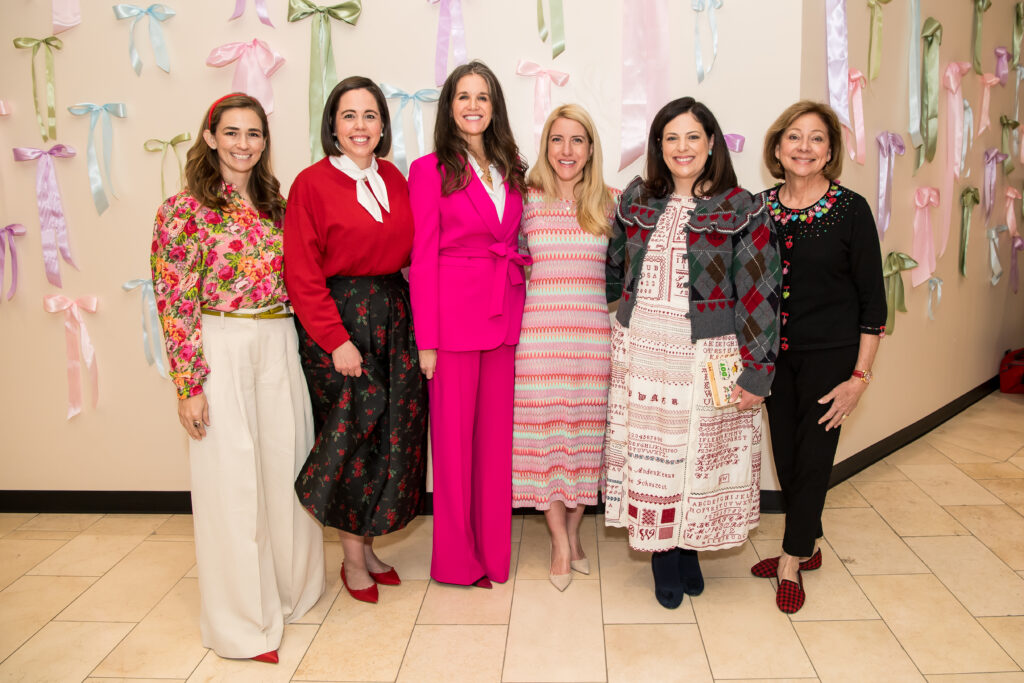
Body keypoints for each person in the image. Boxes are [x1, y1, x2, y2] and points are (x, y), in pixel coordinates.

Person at [151, 93, 324, 663]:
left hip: (279, 344)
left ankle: (289, 594)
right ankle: (242, 625)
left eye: (253, 133)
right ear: (209, 137)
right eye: (231, 132)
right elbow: (173, 303)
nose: (243, 144)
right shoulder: (182, 212)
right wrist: (188, 386)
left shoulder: (280, 204)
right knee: (232, 487)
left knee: (285, 473)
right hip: (218, 345)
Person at [604, 97, 781, 609]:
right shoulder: (635, 201)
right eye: (671, 138)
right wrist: (621, 313)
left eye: (692, 137)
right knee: (652, 456)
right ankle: (663, 554)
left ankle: (688, 548)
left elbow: (760, 291)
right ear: (659, 146)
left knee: (698, 460)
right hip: (644, 351)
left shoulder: (742, 206)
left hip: (709, 352)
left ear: (711, 144)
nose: (682, 148)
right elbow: (615, 266)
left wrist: (758, 370)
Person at [285, 77, 427, 604]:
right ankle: (351, 562)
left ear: (383, 125)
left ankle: (366, 548)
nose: (360, 126)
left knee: (390, 438)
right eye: (349, 116)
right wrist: (334, 340)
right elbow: (301, 275)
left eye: (370, 116)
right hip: (340, 325)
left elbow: (415, 251)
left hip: (393, 316)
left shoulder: (395, 178)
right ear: (333, 125)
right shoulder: (310, 184)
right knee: (352, 441)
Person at [750, 101, 885, 614]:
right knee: (787, 457)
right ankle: (809, 545)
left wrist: (859, 377)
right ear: (778, 147)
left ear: (830, 152)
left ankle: (791, 559)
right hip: (772, 361)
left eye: (816, 139)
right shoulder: (758, 208)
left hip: (832, 360)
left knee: (813, 458)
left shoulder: (851, 210)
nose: (804, 147)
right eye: (794, 137)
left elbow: (873, 304)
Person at [408, 60, 528, 587]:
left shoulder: (513, 166)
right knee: (454, 451)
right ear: (449, 106)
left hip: (505, 320)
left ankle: (493, 556)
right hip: (452, 326)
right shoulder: (428, 169)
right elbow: (423, 257)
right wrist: (426, 340)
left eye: (483, 97)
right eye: (463, 96)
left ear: (494, 106)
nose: (474, 106)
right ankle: (457, 562)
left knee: (493, 448)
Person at [511, 104, 619, 591]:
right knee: (547, 442)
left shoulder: (611, 203)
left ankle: (576, 533)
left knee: (585, 441)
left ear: (591, 148)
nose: (567, 150)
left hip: (593, 340)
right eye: (558, 139)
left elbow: (631, 272)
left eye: (577, 140)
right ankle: (558, 541)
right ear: (546, 145)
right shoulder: (525, 199)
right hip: (538, 341)